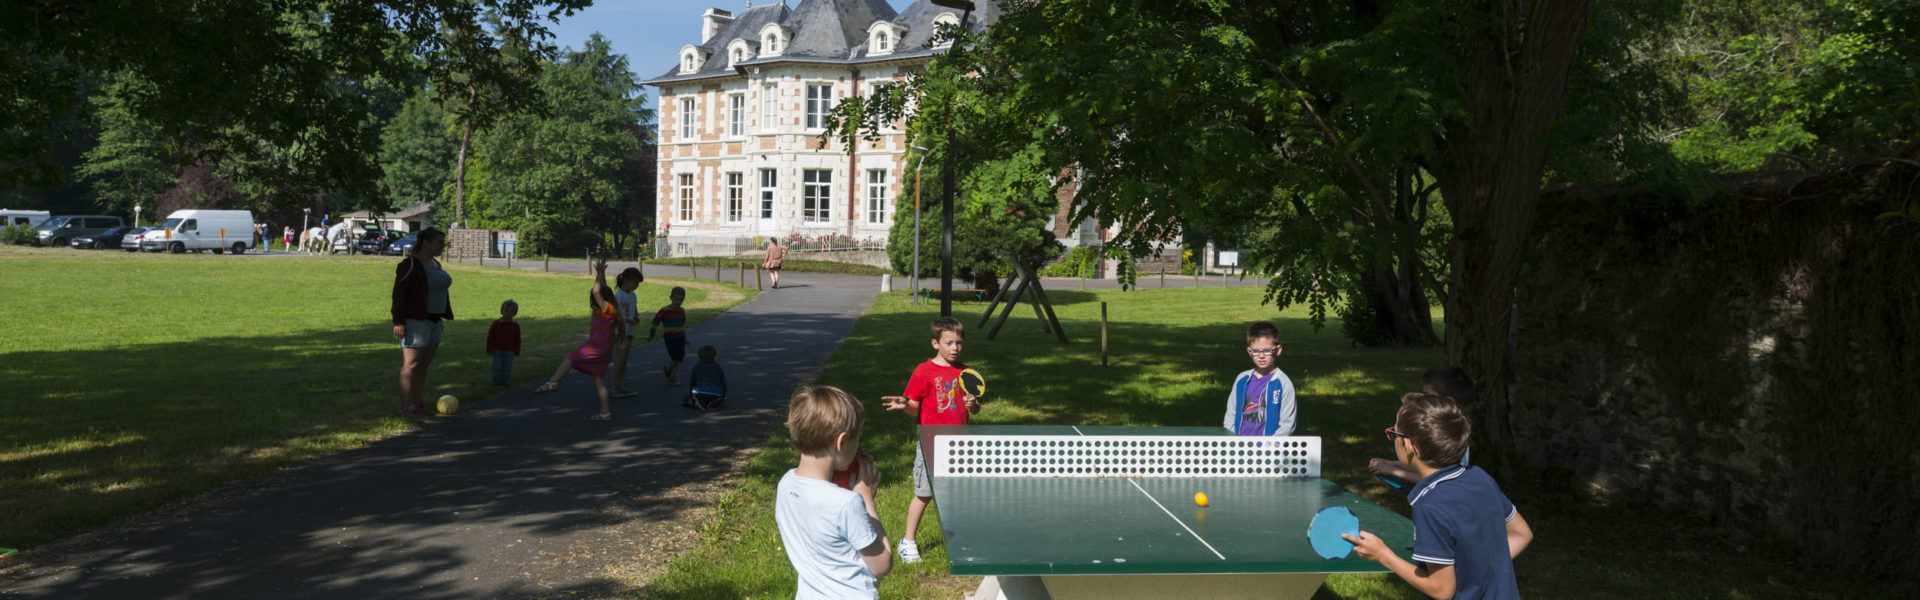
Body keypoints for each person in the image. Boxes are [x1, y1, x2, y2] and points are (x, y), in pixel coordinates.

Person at [1345, 393, 1533, 600]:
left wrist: (1383, 555)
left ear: (1409, 445)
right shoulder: (1479, 476)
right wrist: (1476, 572)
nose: (1392, 440)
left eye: (1394, 434)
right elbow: (1521, 534)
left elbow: (1441, 590)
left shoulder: (1430, 506)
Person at [775, 385, 892, 599]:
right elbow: (881, 565)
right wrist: (867, 499)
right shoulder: (847, 503)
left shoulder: (785, 485)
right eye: (856, 440)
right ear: (841, 442)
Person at [879, 317, 980, 564]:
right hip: (931, 444)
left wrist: (974, 404)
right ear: (935, 343)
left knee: (957, 493)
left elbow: (974, 409)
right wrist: (904, 404)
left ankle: (958, 538)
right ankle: (908, 541)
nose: (955, 348)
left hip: (960, 444)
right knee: (924, 493)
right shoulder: (923, 371)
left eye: (959, 343)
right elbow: (914, 406)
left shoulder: (965, 373)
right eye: (949, 343)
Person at [532, 258, 622, 422]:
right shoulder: (610, 308)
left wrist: (599, 273)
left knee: (571, 358)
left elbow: (596, 292)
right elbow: (600, 290)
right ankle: (605, 412)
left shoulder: (607, 309)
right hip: (605, 350)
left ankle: (553, 382)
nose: (594, 299)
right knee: (598, 380)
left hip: (596, 347)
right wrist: (601, 274)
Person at [1371, 366, 1477, 486]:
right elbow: (1428, 463)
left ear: (1448, 401)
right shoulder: (1449, 431)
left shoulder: (1453, 437)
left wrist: (1394, 471)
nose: (1423, 398)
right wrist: (1392, 463)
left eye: (1428, 395)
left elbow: (1439, 478)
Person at [390, 227, 452, 418]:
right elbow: (399, 295)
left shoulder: (434, 263)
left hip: (434, 320)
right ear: (426, 242)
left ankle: (417, 402)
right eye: (439, 242)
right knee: (411, 364)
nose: (443, 246)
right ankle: (406, 406)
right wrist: (398, 321)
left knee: (424, 364)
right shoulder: (410, 264)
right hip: (416, 322)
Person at [1222, 321, 1297, 436]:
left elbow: (1287, 425)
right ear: (1249, 352)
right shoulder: (1242, 379)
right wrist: (1234, 442)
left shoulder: (1282, 383)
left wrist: (1268, 448)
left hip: (1268, 450)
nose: (1261, 355)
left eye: (1267, 350)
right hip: (1240, 449)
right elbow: (1230, 416)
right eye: (1256, 351)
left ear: (1278, 350)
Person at [609, 266, 644, 398]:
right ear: (627, 280)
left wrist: (636, 316)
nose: (636, 286)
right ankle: (612, 385)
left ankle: (622, 385)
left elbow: (634, 307)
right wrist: (629, 320)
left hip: (629, 332)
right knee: (620, 359)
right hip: (619, 332)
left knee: (624, 360)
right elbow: (616, 315)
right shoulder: (618, 295)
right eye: (635, 283)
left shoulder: (632, 295)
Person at [643, 286, 688, 385]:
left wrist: (685, 338)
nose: (678, 302)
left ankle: (672, 377)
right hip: (670, 338)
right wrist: (651, 335)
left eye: (681, 300)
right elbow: (655, 322)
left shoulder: (681, 311)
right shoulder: (665, 310)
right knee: (676, 357)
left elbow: (681, 325)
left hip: (680, 337)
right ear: (671, 298)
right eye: (676, 299)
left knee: (678, 358)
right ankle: (668, 368)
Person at [487, 300, 522, 386]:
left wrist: (516, 350)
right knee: (497, 368)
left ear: (515, 313)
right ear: (501, 311)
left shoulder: (515, 325)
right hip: (497, 350)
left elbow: (517, 339)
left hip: (509, 351)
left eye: (512, 311)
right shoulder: (496, 324)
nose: (508, 313)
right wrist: (490, 348)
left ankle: (505, 382)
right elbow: (490, 337)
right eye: (506, 310)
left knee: (507, 368)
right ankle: (496, 382)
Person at [685, 345, 727, 411]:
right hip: (716, 392)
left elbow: (692, 383)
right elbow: (723, 383)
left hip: (701, 391)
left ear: (699, 356)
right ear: (714, 356)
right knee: (719, 397)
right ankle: (717, 401)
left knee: (686, 398)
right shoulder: (718, 367)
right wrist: (722, 395)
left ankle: (697, 402)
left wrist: (691, 394)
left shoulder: (696, 367)